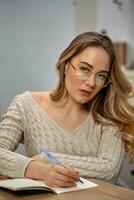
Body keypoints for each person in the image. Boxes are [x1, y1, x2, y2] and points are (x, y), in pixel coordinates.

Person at [0, 32, 134, 188]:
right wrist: (40, 170)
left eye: (101, 76)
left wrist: (46, 159)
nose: (91, 82)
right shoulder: (26, 104)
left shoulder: (108, 114)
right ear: (65, 65)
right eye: (84, 69)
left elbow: (109, 170)